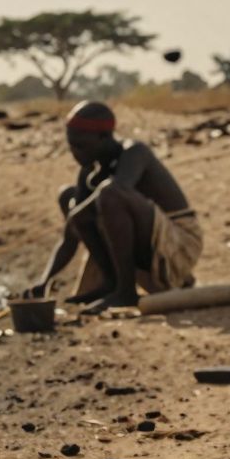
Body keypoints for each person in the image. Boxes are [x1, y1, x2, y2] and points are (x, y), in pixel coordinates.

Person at [24, 101, 200, 313]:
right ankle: (111, 283)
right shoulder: (89, 171)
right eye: (71, 146)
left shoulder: (135, 152)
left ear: (104, 138)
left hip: (179, 245)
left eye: (81, 146)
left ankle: (125, 291)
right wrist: (44, 281)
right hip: (150, 248)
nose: (75, 154)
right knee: (68, 197)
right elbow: (70, 236)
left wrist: (76, 217)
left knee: (107, 195)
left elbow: (117, 191)